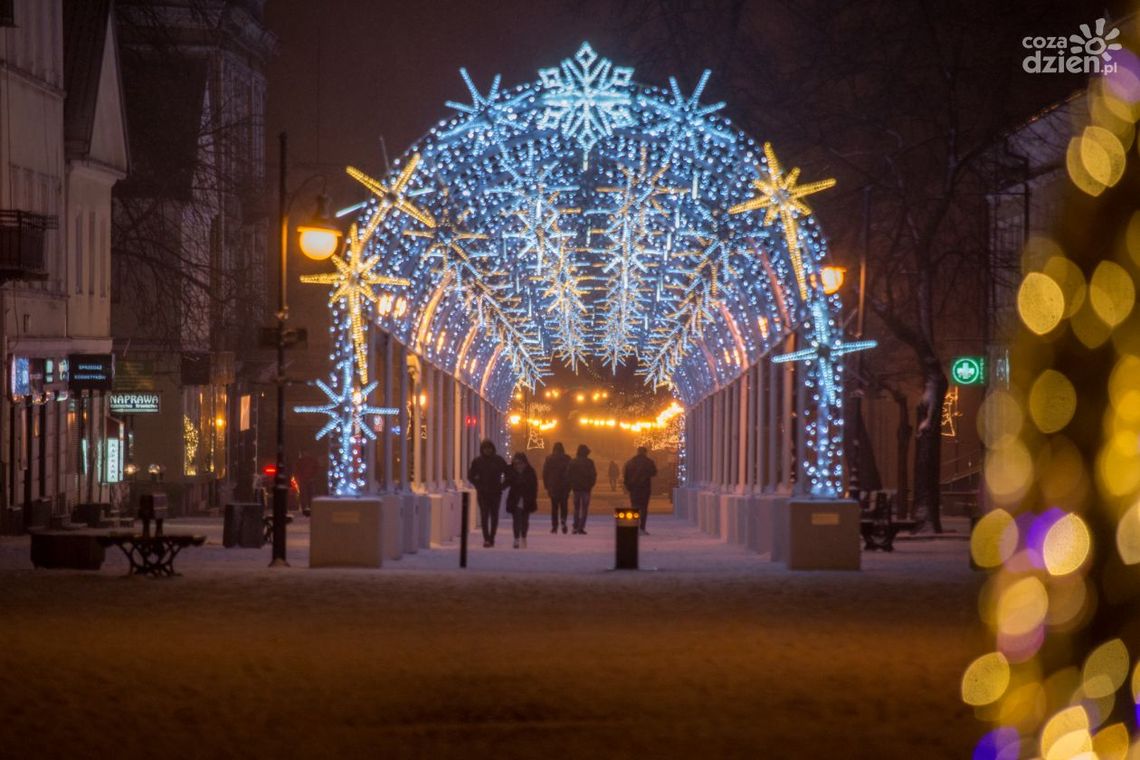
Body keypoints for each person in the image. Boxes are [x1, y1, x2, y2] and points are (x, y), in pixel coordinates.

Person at [467, 439, 511, 548]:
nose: (488, 450)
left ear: (492, 449)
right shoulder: (478, 461)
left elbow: (508, 474)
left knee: (494, 515)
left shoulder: (498, 460)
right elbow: (471, 475)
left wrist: (502, 486)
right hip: (483, 492)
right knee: (484, 515)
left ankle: (492, 537)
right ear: (482, 449)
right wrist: (478, 485)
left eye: (489, 448)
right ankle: (486, 538)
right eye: (485, 448)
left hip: (495, 492)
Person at [506, 452, 538, 548]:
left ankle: (523, 537)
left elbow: (534, 486)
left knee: (524, 520)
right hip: (515, 498)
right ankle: (516, 539)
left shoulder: (530, 471)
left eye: (520, 463)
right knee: (516, 520)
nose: (518, 465)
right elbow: (507, 482)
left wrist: (532, 496)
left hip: (526, 498)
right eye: (516, 463)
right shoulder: (512, 471)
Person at [623, 446, 658, 535]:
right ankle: (642, 528)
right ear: (645, 452)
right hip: (645, 488)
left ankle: (634, 527)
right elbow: (654, 472)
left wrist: (628, 486)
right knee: (644, 508)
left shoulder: (630, 462)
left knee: (634, 508)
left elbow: (626, 475)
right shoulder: (649, 462)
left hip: (634, 489)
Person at [566, 444, 597, 534]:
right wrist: (590, 484)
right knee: (584, 509)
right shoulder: (590, 462)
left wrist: (571, 484)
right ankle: (581, 527)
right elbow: (593, 475)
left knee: (576, 508)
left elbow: (568, 474)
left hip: (576, 488)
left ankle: (575, 526)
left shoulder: (573, 462)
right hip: (586, 489)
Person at [542, 442, 571, 534]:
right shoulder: (567, 459)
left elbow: (545, 473)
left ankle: (554, 526)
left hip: (553, 486)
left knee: (554, 508)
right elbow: (571, 472)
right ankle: (563, 521)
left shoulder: (549, 459)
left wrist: (546, 485)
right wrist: (570, 485)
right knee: (564, 506)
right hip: (564, 486)